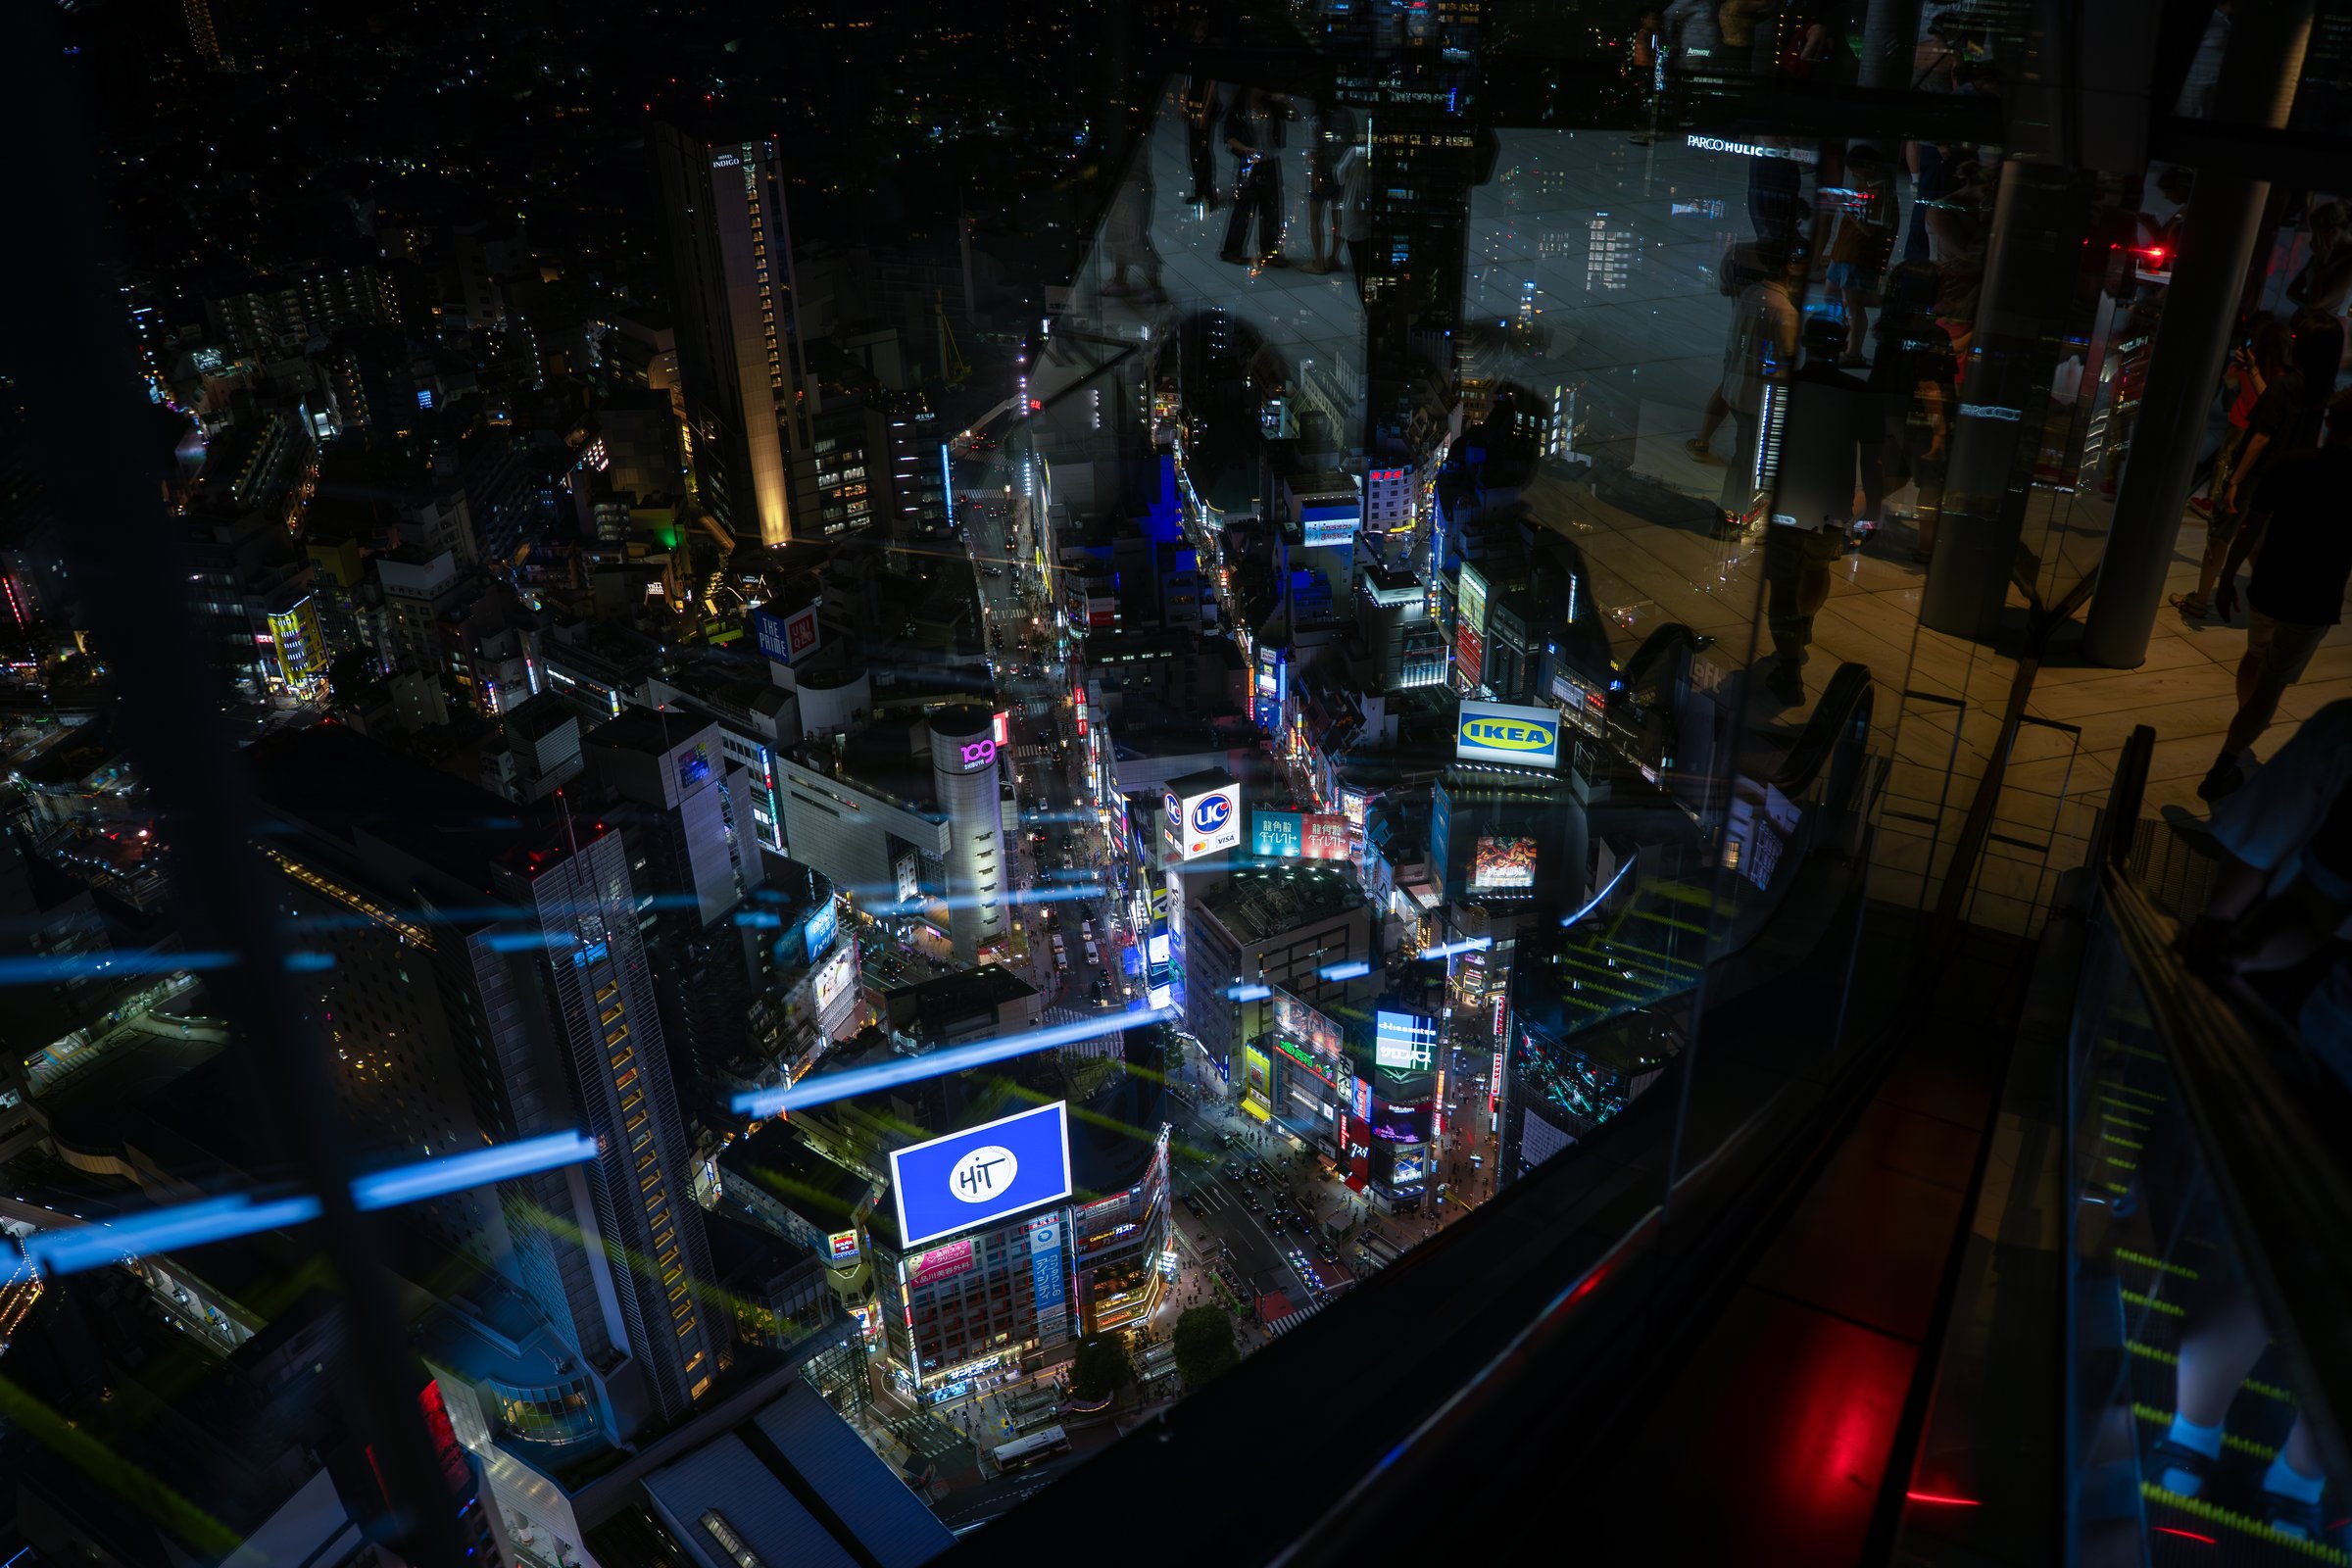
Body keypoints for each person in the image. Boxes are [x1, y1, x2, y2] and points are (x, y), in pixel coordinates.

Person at [2195, 391, 2352, 801]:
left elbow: (2251, 526)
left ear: (2330, 422)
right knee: (2273, 683)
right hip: (2313, 599)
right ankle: (2224, 765)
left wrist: (2228, 576)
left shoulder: (2290, 465)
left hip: (2269, 585)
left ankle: (2245, 724)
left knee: (2256, 656)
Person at [2173, 317, 2289, 615]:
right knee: (2254, 541)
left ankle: (2200, 600)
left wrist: (2234, 481)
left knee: (2221, 535)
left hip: (2251, 469)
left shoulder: (2269, 381)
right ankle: (2271, 601)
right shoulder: (2289, 380)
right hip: (2272, 475)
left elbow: (2261, 433)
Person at [1688, 241, 1807, 523]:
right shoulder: (1786, 312)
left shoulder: (1752, 294)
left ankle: (1733, 510)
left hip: (1738, 389)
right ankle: (1735, 513)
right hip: (1759, 398)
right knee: (1751, 459)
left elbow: (1735, 343)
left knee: (1744, 456)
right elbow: (1787, 361)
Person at [1868, 259, 1956, 558]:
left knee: (1892, 477)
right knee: (1932, 481)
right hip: (1914, 417)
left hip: (1884, 410)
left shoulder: (1889, 324)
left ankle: (1844, 523)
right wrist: (1940, 431)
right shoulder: (1933, 334)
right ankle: (1927, 547)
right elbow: (1929, 385)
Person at [1825, 144, 1897, 366]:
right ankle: (1842, 339)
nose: (1854, 174)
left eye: (1856, 169)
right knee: (1833, 294)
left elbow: (1870, 229)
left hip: (1857, 255)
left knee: (1853, 303)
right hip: (1844, 251)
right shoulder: (1868, 186)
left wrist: (1845, 206)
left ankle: (1853, 351)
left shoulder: (1881, 193)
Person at [1219, 89, 1287, 268]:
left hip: (1268, 161)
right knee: (1243, 208)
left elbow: (1293, 115)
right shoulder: (1240, 112)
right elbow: (1229, 137)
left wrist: (1281, 99)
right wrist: (1245, 149)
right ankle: (1232, 251)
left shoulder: (1271, 106)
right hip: (1250, 163)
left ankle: (1269, 251)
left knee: (1270, 209)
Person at [1301, 102, 1353, 274]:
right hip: (1341, 173)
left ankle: (1318, 262)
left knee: (1315, 220)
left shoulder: (1316, 121)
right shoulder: (1345, 115)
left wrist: (1315, 176)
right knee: (1337, 219)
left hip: (1323, 174)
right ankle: (1333, 258)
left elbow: (1314, 152)